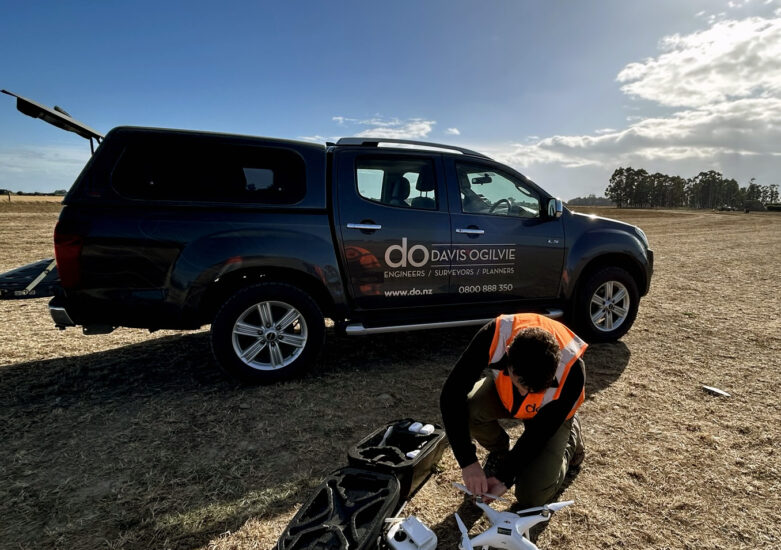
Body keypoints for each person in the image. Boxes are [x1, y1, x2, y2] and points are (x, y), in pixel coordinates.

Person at [440, 313, 587, 507]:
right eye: (521, 384)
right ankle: (499, 453)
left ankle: (571, 437)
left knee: (532, 496)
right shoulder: (495, 335)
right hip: (503, 395)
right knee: (470, 408)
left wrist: (505, 477)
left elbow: (538, 434)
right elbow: (451, 395)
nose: (526, 393)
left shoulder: (573, 370)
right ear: (508, 354)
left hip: (549, 416)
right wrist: (467, 461)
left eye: (536, 389)